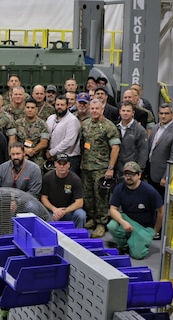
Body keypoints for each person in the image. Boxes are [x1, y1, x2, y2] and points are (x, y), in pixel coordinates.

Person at [81, 99, 121, 238]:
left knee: (100, 197)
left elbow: (115, 148)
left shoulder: (109, 126)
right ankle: (92, 218)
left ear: (102, 109)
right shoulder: (86, 124)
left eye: (97, 108)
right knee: (88, 196)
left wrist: (110, 168)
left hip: (101, 168)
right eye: (92, 108)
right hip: (86, 167)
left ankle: (101, 223)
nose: (94, 111)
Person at [107, 162, 164, 259]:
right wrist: (123, 222)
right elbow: (113, 209)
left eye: (132, 174)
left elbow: (161, 211)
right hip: (127, 219)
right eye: (126, 174)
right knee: (112, 226)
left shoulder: (149, 191)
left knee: (138, 255)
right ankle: (125, 246)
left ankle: (135, 241)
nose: (128, 177)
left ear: (139, 175)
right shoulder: (119, 188)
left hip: (144, 226)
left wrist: (154, 231)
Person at [147, 103, 173, 198]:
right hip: (151, 172)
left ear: (172, 115)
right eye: (161, 113)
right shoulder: (155, 128)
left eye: (166, 113)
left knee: (161, 205)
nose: (163, 116)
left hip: (162, 176)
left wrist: (166, 177)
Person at [40, 154, 86, 228]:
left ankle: (78, 237)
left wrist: (64, 211)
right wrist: (54, 209)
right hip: (52, 211)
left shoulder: (75, 179)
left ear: (69, 165)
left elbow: (79, 202)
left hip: (69, 211)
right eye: (59, 164)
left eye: (64, 164)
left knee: (81, 215)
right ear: (55, 164)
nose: (62, 166)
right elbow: (44, 198)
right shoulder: (47, 177)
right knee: (44, 216)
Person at [45, 95, 81, 172]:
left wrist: (52, 152)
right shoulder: (50, 118)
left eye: (62, 105)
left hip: (69, 158)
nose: (59, 107)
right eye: (57, 105)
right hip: (53, 157)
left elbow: (69, 142)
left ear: (67, 106)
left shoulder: (72, 120)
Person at [116, 101, 148, 179]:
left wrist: (139, 170)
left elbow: (143, 152)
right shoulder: (115, 127)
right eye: (123, 111)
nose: (125, 113)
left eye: (128, 111)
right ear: (120, 112)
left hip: (132, 171)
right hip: (117, 169)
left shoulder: (140, 130)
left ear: (133, 113)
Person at [15, 98, 50, 169]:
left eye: (32, 108)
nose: (30, 110)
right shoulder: (17, 123)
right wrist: (23, 151)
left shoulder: (42, 124)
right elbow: (14, 140)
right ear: (24, 109)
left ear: (36, 110)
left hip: (36, 158)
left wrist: (32, 151)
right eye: (28, 107)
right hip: (20, 156)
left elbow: (44, 143)